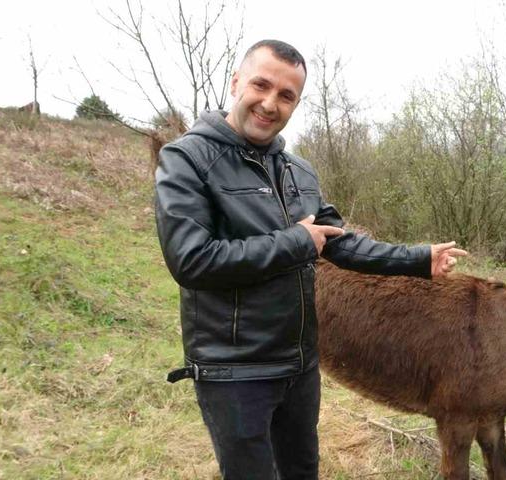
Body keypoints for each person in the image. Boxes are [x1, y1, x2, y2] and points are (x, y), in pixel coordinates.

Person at [154, 39, 467, 479]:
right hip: (235, 371)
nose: (269, 103)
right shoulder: (187, 159)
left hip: (299, 365)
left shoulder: (298, 170)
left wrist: (417, 259)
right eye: (261, 85)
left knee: (302, 472)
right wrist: (297, 242)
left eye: (286, 95)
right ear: (236, 82)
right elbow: (191, 261)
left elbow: (336, 241)